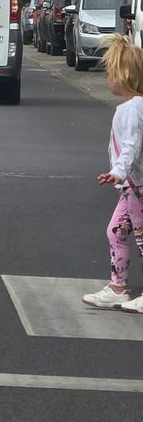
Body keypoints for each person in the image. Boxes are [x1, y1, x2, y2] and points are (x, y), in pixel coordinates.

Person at [82, 33, 143, 310]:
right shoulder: (132, 107)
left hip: (136, 185)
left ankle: (119, 287)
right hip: (130, 185)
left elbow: (131, 147)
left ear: (124, 76)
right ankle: (117, 287)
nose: (108, 78)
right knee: (115, 232)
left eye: (111, 72)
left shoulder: (133, 109)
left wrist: (118, 172)